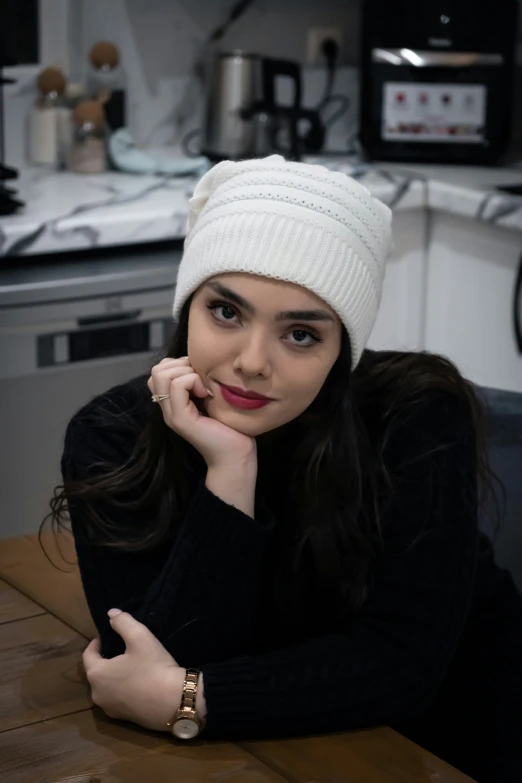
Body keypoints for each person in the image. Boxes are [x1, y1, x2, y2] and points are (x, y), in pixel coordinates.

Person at [42, 155, 522, 782]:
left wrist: (188, 699)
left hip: (451, 740)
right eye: (226, 312)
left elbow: (403, 667)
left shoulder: (415, 415)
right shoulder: (113, 434)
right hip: (257, 754)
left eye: (300, 335)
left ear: (340, 350)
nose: (251, 362)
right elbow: (145, 656)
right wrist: (230, 473)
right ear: (187, 306)